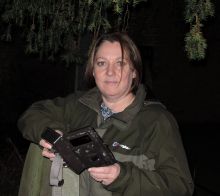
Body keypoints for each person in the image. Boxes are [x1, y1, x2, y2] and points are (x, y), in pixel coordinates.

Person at [17, 32, 194, 196]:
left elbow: (181, 186)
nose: (110, 72)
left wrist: (122, 176)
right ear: (93, 70)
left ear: (134, 72)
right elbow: (32, 114)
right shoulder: (78, 105)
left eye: (120, 63)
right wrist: (52, 136)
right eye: (102, 63)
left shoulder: (157, 121)